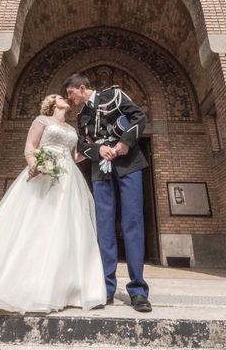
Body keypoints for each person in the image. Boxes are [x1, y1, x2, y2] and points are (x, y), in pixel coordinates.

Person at [0, 95, 106, 313]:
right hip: (43, 173)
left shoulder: (71, 129)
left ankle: (64, 288)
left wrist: (93, 148)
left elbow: (75, 156)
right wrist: (35, 165)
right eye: (60, 96)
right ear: (52, 103)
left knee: (66, 225)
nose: (64, 98)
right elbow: (30, 146)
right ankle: (23, 285)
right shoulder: (42, 121)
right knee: (36, 222)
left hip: (68, 177)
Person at [64, 74, 152, 313]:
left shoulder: (114, 95)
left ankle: (138, 290)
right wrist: (99, 148)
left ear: (82, 88)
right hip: (100, 170)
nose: (69, 98)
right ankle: (106, 287)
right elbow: (82, 144)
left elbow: (138, 117)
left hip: (129, 164)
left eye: (70, 93)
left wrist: (124, 143)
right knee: (104, 226)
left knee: (132, 222)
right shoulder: (82, 116)